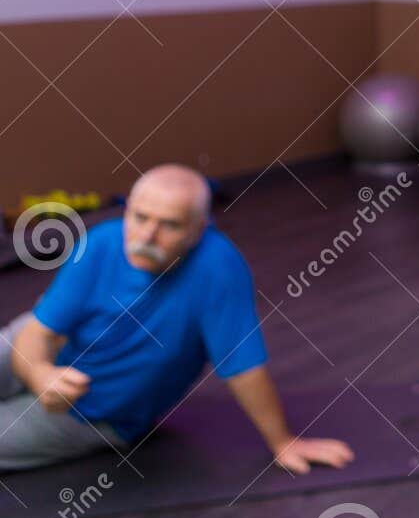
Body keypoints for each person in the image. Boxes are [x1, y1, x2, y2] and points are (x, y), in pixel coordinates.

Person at [1, 164, 354, 475]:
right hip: (44, 357)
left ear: (200, 228)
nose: (147, 236)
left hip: (93, 411)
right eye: (139, 218)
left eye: (168, 225)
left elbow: (242, 367)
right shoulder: (100, 243)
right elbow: (37, 332)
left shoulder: (218, 269)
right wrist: (40, 373)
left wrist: (283, 441)